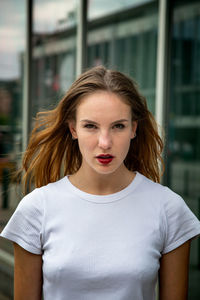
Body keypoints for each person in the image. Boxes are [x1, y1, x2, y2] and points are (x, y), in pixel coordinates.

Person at [1, 65, 200, 300]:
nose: (105, 142)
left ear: (133, 129)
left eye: (118, 126)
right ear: (73, 129)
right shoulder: (36, 209)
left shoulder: (168, 208)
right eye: (90, 126)